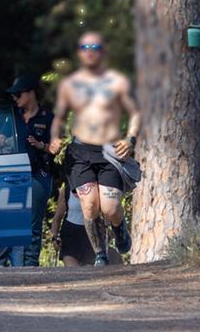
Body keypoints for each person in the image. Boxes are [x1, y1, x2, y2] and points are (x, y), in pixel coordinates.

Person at [48, 32, 140, 267]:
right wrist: (55, 138)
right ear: (80, 53)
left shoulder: (116, 82)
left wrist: (130, 140)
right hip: (79, 153)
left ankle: (119, 228)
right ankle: (100, 253)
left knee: (109, 208)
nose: (90, 51)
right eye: (85, 47)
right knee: (89, 205)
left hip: (108, 151)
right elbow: (58, 117)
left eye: (95, 47)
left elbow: (135, 112)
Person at [8, 74, 54, 266]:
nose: (15, 99)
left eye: (18, 95)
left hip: (38, 174)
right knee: (12, 221)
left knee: (33, 224)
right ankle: (13, 266)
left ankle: (30, 266)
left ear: (31, 93)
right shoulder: (12, 118)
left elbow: (57, 148)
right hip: (13, 175)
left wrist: (40, 145)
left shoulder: (48, 118)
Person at [49, 182, 120, 266]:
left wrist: (110, 229)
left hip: (92, 235)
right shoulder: (67, 191)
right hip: (70, 235)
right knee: (73, 272)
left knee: (89, 272)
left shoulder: (98, 189)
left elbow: (107, 213)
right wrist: (54, 237)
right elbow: (57, 218)